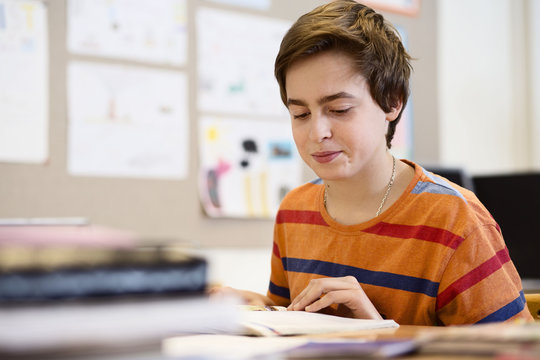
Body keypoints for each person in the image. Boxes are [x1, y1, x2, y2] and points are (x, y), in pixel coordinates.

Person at [212, 0, 533, 325]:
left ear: (392, 102)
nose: (317, 132)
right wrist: (257, 308)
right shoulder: (294, 213)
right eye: (301, 114)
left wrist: (381, 336)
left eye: (339, 110)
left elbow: (516, 352)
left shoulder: (456, 223)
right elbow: (292, 323)